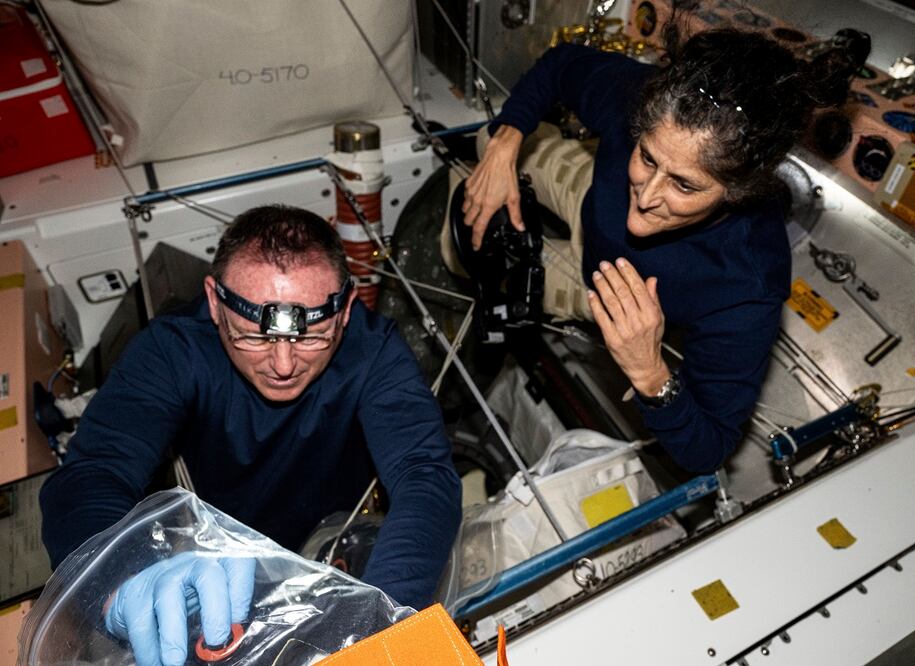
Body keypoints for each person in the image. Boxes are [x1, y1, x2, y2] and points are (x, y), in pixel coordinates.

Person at [40, 205, 462, 665]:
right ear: (215, 302)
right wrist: (120, 578)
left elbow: (424, 476)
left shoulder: (374, 351)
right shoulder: (173, 351)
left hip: (337, 549)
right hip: (212, 571)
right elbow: (92, 473)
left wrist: (379, 626)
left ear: (344, 311)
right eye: (254, 337)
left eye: (312, 336)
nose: (283, 365)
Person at [456, 23, 860, 472]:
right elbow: (560, 64)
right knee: (486, 138)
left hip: (608, 295)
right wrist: (506, 141)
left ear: (738, 192)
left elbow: (710, 448)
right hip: (589, 190)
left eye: (684, 185)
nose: (645, 199)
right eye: (647, 157)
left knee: (464, 252)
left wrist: (649, 372)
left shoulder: (747, 285)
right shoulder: (655, 104)